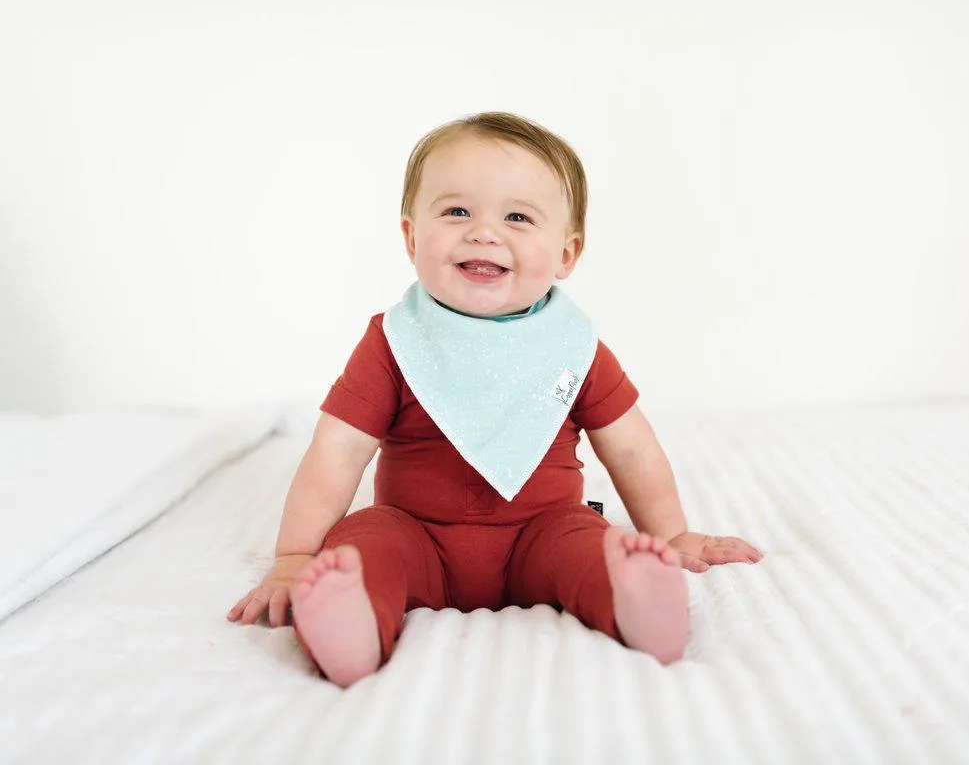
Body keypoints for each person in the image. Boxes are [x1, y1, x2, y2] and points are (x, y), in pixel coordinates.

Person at [227, 111, 763, 687]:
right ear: (411, 237)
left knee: (591, 547)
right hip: (415, 533)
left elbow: (632, 450)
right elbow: (336, 452)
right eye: (457, 211)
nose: (483, 232)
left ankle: (638, 605)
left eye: (517, 216)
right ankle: (347, 622)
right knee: (363, 545)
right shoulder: (395, 341)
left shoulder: (573, 348)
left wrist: (671, 534)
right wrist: (293, 557)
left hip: (544, 529)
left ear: (566, 253)